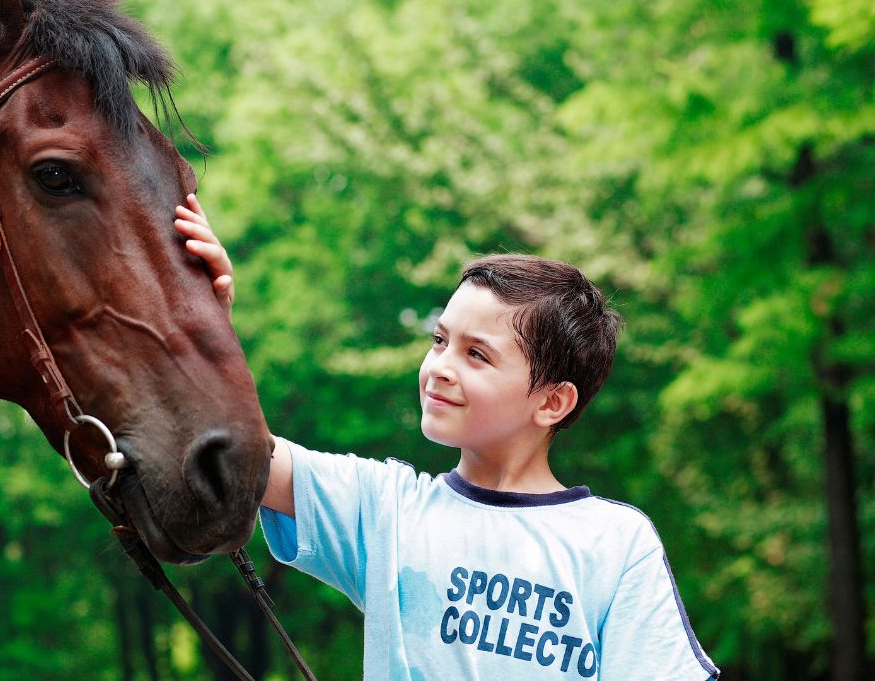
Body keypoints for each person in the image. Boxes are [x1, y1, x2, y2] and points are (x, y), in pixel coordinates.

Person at [174, 194, 719, 681]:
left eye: (476, 354)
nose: (440, 367)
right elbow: (241, 449)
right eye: (439, 340)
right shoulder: (384, 508)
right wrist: (205, 320)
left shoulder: (615, 544)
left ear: (552, 402)